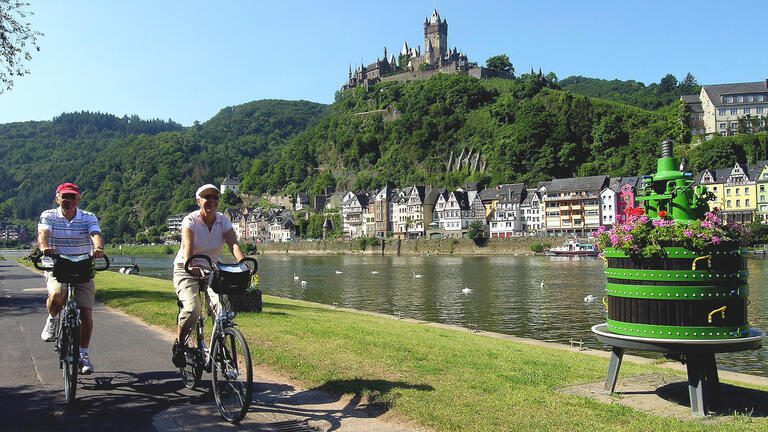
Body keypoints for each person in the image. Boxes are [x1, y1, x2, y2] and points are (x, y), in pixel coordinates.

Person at [172, 184, 245, 367]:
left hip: (212, 271)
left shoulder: (223, 221)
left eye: (215, 197)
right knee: (192, 309)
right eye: (207, 197)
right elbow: (187, 245)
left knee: (222, 312)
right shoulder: (191, 220)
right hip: (186, 268)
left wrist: (243, 264)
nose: (211, 200)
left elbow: (233, 244)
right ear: (199, 201)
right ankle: (180, 345)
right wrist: (191, 265)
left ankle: (220, 347)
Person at [38, 182, 105, 375]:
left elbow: (95, 233)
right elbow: (43, 234)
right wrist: (44, 247)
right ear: (57, 198)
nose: (68, 200)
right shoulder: (49, 215)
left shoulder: (88, 217)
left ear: (78, 199)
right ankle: (52, 318)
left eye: (72, 197)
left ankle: (83, 354)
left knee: (85, 313)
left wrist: (98, 248)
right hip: (56, 264)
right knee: (58, 295)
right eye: (64, 197)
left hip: (82, 264)